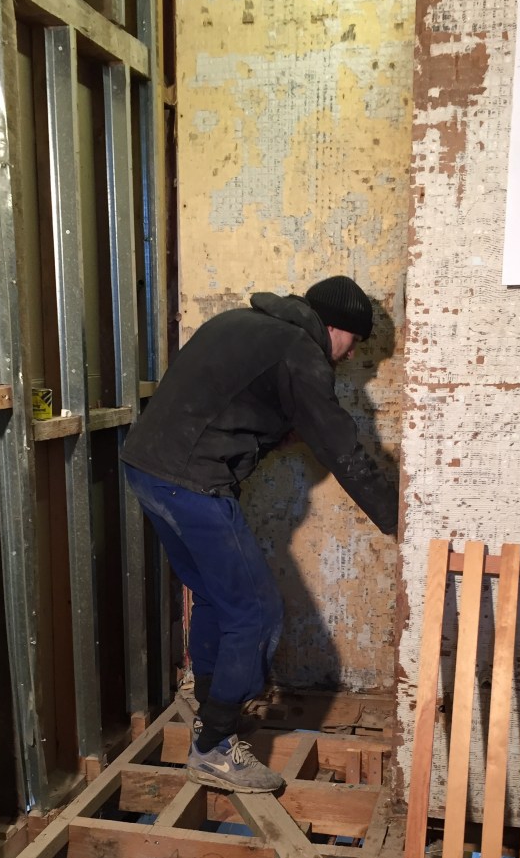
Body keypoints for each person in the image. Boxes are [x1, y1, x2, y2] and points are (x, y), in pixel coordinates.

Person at [123, 276, 397, 794]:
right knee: (255, 612)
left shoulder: (243, 322)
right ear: (334, 327)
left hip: (146, 470)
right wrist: (398, 517)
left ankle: (211, 711)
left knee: (215, 597)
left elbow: (219, 403)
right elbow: (342, 449)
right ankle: (215, 747)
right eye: (355, 341)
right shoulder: (301, 352)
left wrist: (275, 431)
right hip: (193, 484)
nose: (352, 355)